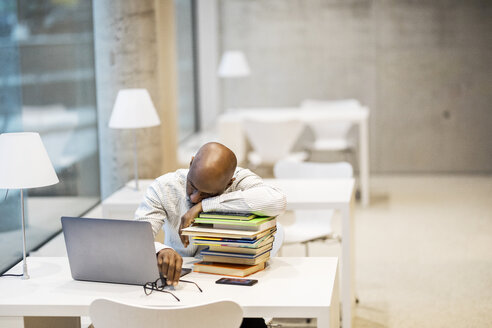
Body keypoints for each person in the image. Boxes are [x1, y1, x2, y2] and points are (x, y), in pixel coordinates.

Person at [135, 142, 286, 286]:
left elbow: (277, 201)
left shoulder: (239, 180)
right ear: (191, 163)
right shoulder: (164, 187)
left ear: (228, 184)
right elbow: (138, 235)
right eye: (192, 185)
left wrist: (205, 206)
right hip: (179, 279)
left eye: (206, 194)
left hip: (228, 275)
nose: (194, 197)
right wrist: (160, 250)